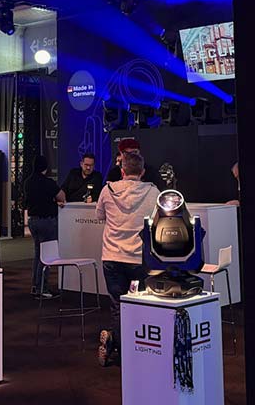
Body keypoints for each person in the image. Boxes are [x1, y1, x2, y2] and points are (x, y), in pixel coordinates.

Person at [96, 152, 158, 367]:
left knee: (118, 306)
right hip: (138, 259)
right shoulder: (153, 192)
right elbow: (157, 221)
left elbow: (99, 215)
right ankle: (137, 350)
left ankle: (121, 349)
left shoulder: (107, 190)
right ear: (142, 172)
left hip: (112, 257)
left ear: (122, 171)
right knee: (140, 305)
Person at [25, 155, 65, 299]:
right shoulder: (48, 183)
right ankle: (43, 288)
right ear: (45, 168)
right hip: (46, 221)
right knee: (47, 255)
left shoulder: (28, 182)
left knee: (38, 254)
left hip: (33, 221)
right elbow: (62, 196)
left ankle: (35, 286)